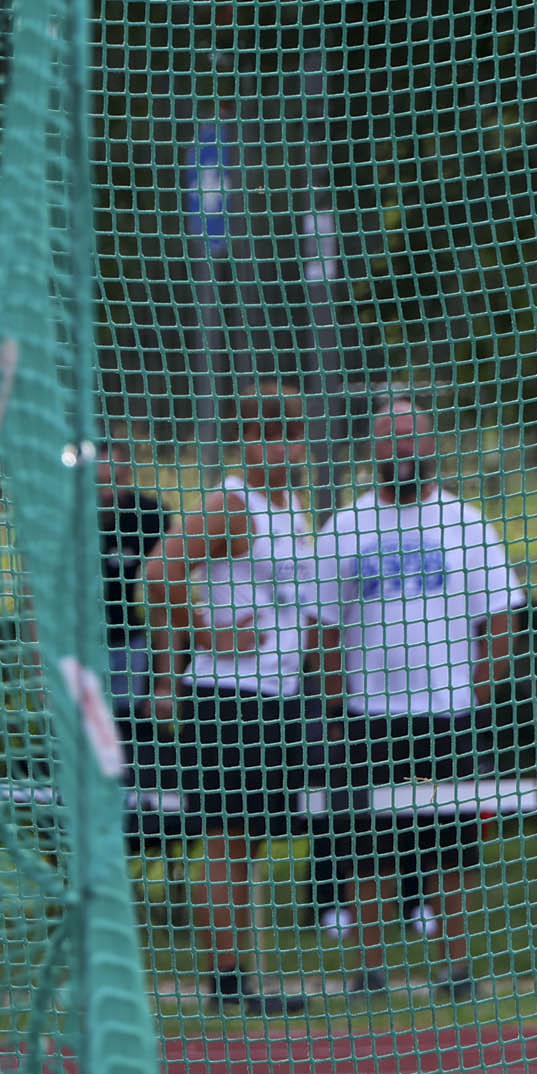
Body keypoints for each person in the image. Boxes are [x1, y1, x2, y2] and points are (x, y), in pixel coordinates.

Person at [302, 396, 522, 1004]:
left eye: (412, 436)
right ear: (372, 448)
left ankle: (456, 970)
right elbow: (322, 627)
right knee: (367, 849)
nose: (401, 448)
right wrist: (335, 706)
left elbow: (503, 616)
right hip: (367, 716)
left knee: (451, 848)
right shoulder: (345, 526)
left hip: (446, 716)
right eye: (390, 437)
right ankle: (370, 974)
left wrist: (477, 691)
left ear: (432, 444)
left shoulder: (466, 523)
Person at [140, 381, 322, 1015]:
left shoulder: (292, 508)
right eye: (265, 436)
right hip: (227, 696)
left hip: (280, 695)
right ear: (244, 442)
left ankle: (245, 977)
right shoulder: (230, 504)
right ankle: (226, 981)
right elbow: (158, 572)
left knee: (251, 841)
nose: (280, 449)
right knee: (224, 838)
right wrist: (203, 637)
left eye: (290, 436)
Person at [96, 434, 172, 710]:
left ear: (127, 474)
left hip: (126, 643)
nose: (106, 492)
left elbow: (163, 595)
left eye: (114, 480)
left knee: (126, 727)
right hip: (76, 648)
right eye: (97, 482)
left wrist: (165, 683)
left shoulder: (148, 516)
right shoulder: (65, 517)